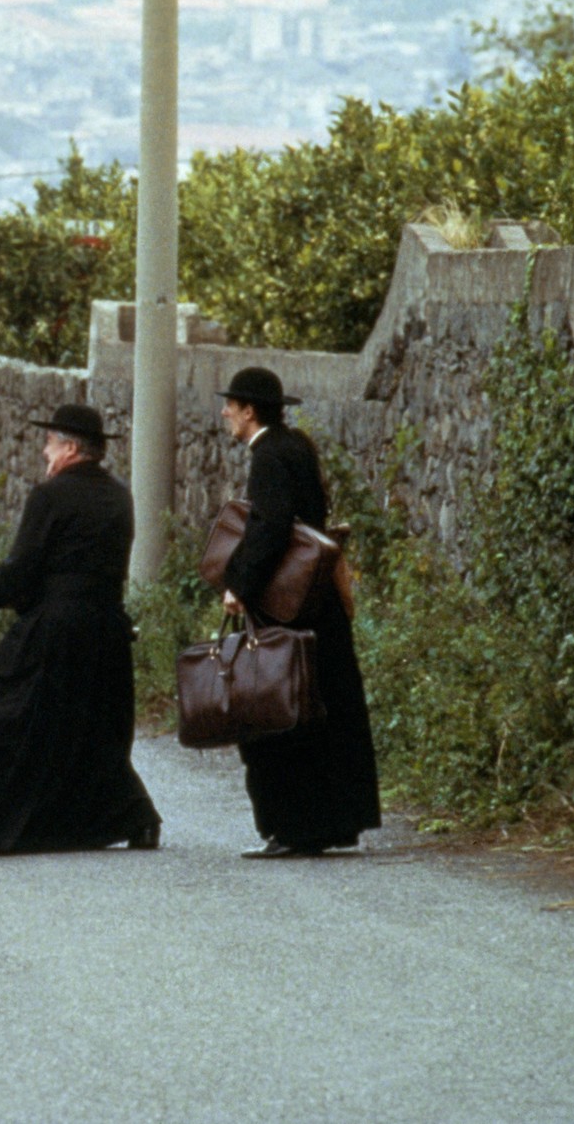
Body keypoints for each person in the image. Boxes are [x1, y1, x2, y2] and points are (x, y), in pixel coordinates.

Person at [0, 403, 163, 859]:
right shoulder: (119, 495)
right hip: (106, 626)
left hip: (57, 627)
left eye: (49, 442)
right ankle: (138, 819)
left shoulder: (51, 495)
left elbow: (17, 574)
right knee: (90, 726)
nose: (44, 451)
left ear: (69, 447)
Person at [215, 366, 382, 858]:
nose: (224, 412)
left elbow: (269, 529)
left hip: (288, 605)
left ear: (249, 411)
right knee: (324, 706)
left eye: (231, 405)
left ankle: (292, 825)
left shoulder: (267, 456)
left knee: (276, 706)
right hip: (318, 598)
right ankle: (334, 821)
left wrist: (239, 586)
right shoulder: (298, 446)